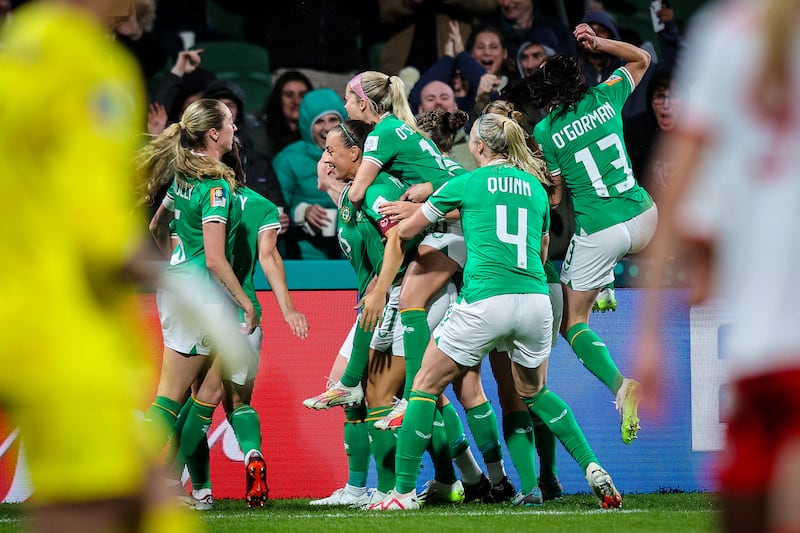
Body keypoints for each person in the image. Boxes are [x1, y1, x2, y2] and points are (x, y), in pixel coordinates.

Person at [0, 0, 195, 530]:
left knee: (141, 499)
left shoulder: (52, 49)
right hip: (55, 318)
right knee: (92, 505)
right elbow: (95, 226)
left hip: (64, 313)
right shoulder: (68, 57)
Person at [368, 112, 622, 511]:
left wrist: (404, 213)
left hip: (487, 299)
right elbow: (540, 253)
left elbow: (405, 230)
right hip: (537, 301)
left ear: (479, 147)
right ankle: (592, 467)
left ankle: (400, 493)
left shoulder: (464, 183)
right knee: (534, 393)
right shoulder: (536, 189)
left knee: (424, 387)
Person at [636, 1, 800, 531]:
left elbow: (682, 201)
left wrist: (649, 329)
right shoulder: (730, 35)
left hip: (765, 351)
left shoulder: (727, 34)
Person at [527, 24, 656, 445]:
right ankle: (605, 283)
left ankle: (622, 387)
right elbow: (643, 58)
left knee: (572, 319)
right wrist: (601, 45)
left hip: (603, 233)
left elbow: (558, 192)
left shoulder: (546, 131)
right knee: (588, 252)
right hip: (645, 216)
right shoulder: (607, 95)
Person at [137, 98, 257, 483]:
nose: (235, 130)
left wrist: (177, 266)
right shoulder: (215, 186)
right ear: (213, 134)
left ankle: (171, 481)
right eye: (230, 124)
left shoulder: (184, 176)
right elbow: (216, 261)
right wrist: (246, 305)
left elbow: (157, 226)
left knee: (191, 393)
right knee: (172, 400)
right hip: (200, 297)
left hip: (175, 289)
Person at [202, 79, 290, 233]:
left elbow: (278, 207)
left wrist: (281, 220)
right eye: (218, 106)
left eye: (230, 105)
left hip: (253, 246)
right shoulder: (193, 161)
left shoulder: (258, 161)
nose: (225, 112)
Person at [273, 88, 346, 260]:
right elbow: (273, 211)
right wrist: (301, 214)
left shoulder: (356, 154)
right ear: (307, 125)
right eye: (319, 121)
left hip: (350, 256)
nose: (327, 128)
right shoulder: (288, 159)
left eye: (333, 119)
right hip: (304, 258)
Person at [252, 70, 313, 161]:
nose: (296, 101)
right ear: (278, 99)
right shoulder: (261, 135)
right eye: (289, 95)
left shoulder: (317, 134)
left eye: (302, 95)